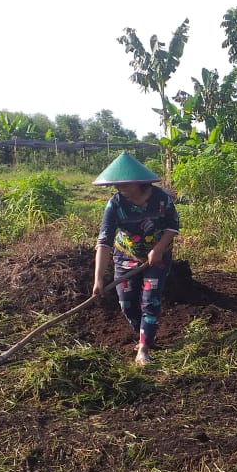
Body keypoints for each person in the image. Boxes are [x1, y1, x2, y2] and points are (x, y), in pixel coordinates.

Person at [92, 152, 180, 366]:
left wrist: (158, 248)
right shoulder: (115, 205)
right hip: (125, 256)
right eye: (118, 186)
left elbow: (172, 226)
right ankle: (146, 334)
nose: (120, 190)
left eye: (125, 185)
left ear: (139, 182)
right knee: (127, 303)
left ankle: (143, 348)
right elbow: (104, 242)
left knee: (150, 299)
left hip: (156, 257)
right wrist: (98, 280)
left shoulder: (161, 198)